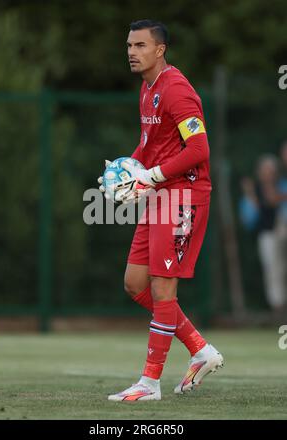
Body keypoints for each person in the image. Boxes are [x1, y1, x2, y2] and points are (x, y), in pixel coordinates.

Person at [98, 19, 223, 401]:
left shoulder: (177, 90)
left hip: (183, 194)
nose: (131, 52)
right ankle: (200, 350)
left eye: (139, 45)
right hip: (159, 192)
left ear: (160, 50)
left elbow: (199, 151)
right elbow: (150, 147)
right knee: (135, 284)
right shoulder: (147, 87)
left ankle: (149, 383)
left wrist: (149, 175)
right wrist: (126, 172)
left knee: (163, 288)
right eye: (129, 45)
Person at [240, 155, 287, 316]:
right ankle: (279, 308)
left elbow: (274, 200)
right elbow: (248, 218)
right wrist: (251, 195)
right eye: (265, 171)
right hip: (267, 234)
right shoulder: (254, 191)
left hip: (282, 230)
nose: (268, 174)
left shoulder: (282, 185)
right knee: (273, 270)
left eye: (271, 171)